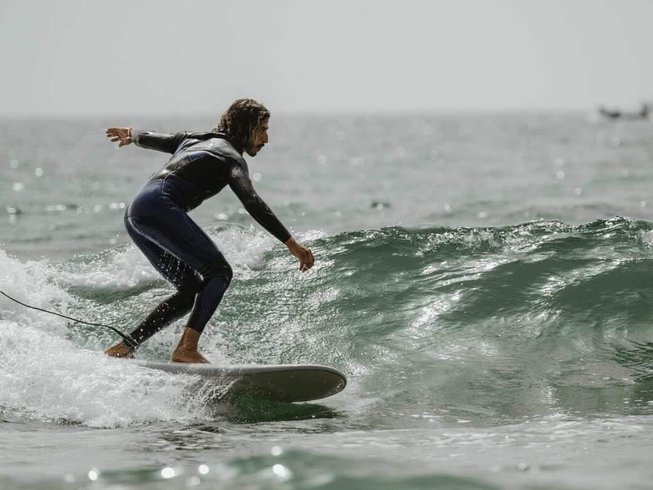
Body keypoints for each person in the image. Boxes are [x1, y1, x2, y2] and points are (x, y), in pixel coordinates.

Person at [103, 98, 314, 363]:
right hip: (158, 206)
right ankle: (186, 349)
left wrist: (133, 135)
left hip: (136, 212)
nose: (266, 139)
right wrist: (291, 244)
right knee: (219, 272)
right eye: (262, 130)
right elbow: (252, 201)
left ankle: (124, 346)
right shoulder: (230, 157)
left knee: (189, 289)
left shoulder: (193, 139)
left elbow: (157, 138)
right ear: (246, 128)